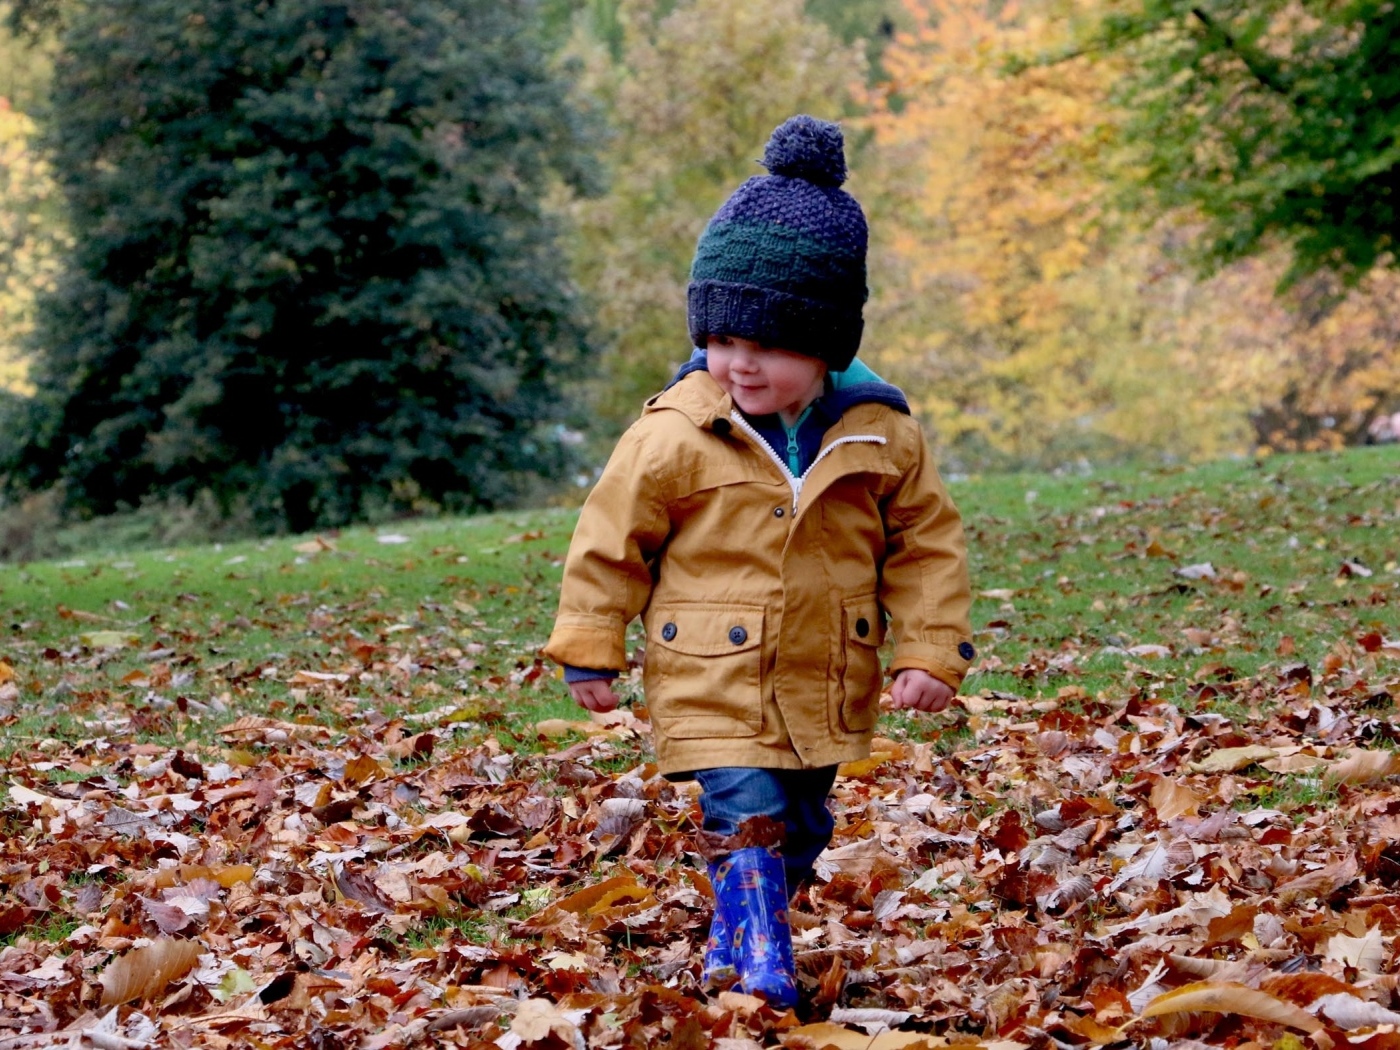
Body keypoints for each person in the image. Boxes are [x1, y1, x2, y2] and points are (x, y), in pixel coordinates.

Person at [542, 114, 974, 1008]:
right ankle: (766, 963)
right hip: (709, 669)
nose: (738, 363)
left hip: (824, 677)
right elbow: (611, 532)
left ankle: (734, 939)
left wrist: (929, 651)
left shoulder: (880, 433)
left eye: (767, 345)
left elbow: (926, 545)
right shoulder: (677, 431)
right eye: (723, 340)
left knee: (805, 824)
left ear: (825, 345)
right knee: (747, 810)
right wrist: (590, 639)